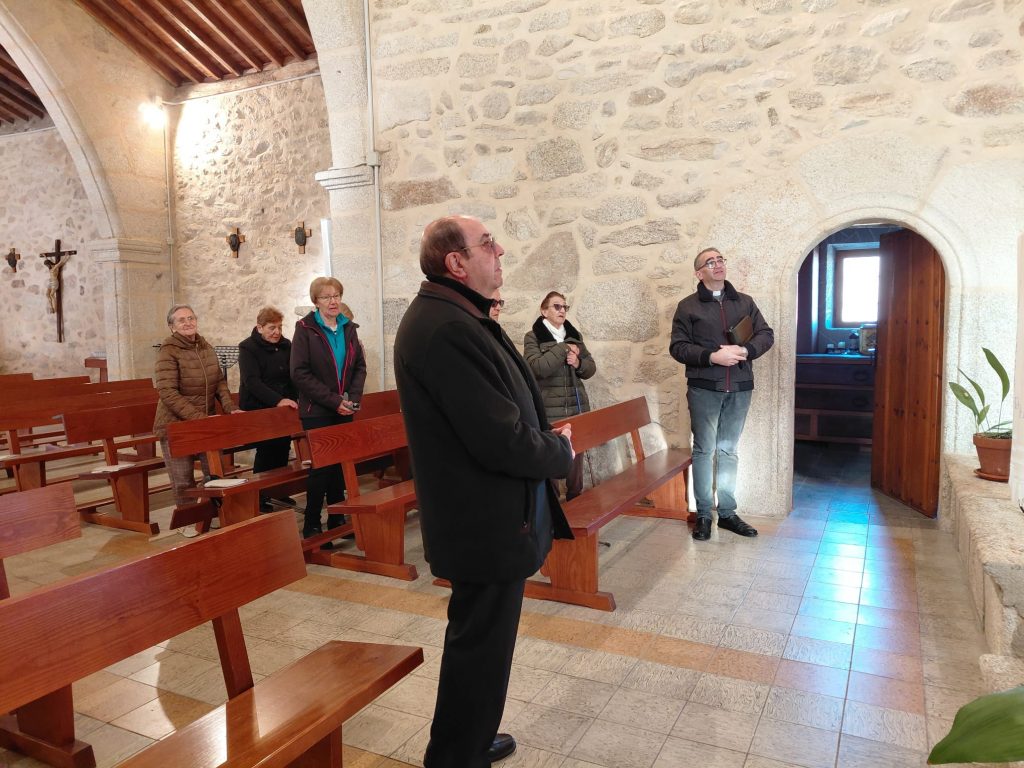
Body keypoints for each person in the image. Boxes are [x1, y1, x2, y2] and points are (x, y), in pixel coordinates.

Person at [394, 215, 574, 768]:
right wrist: (559, 452)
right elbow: (499, 439)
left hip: (488, 516)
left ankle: (468, 740)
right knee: (479, 646)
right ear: (456, 262)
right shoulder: (446, 328)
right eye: (488, 244)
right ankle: (455, 755)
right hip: (482, 521)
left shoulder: (458, 316)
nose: (501, 253)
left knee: (484, 647)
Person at [669, 247, 775, 541]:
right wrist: (712, 357)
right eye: (710, 262)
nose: (717, 265)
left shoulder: (745, 302)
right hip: (704, 388)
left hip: (739, 387)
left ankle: (727, 513)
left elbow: (766, 334)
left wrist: (746, 350)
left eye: (720, 260)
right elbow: (678, 347)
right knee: (704, 450)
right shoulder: (687, 307)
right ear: (699, 273)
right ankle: (704, 514)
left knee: (729, 450)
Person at [291, 277, 366, 542]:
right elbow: (299, 373)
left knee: (339, 466)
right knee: (321, 468)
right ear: (316, 301)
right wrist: (335, 401)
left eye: (336, 296)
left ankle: (337, 516)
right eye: (326, 297)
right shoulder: (305, 329)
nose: (333, 301)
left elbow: (359, 367)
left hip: (344, 407)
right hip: (317, 410)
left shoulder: (348, 328)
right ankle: (312, 523)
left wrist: (352, 400)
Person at [153, 304, 238, 535]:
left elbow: (219, 382)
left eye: (191, 318)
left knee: (214, 473)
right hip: (175, 425)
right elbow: (167, 392)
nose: (188, 323)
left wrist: (230, 408)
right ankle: (187, 522)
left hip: (203, 423)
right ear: (172, 326)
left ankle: (212, 516)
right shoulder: (168, 351)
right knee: (183, 480)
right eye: (181, 320)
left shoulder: (205, 346)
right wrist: (199, 418)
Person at [523, 291, 596, 500]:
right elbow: (537, 368)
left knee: (576, 458)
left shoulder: (574, 335)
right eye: (557, 306)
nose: (562, 310)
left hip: (575, 406)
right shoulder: (533, 336)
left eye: (565, 307)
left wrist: (578, 363)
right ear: (544, 311)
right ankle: (553, 504)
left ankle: (576, 500)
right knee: (551, 456)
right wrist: (563, 348)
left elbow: (590, 368)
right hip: (548, 409)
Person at [238, 306, 298, 511]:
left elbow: (292, 375)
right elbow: (252, 382)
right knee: (266, 450)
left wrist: (294, 398)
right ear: (260, 327)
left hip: (283, 406)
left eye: (280, 327)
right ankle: (261, 495)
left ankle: (278, 491)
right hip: (259, 406)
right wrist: (278, 400)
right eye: (272, 328)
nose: (277, 332)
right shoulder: (248, 348)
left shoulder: (286, 345)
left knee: (282, 447)